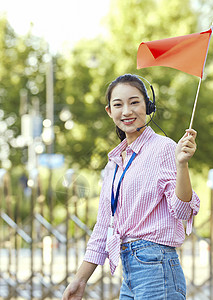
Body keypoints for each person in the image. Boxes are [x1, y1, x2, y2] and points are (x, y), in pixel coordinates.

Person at [62, 74, 200, 300]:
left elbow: (183, 211)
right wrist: (80, 279)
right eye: (118, 105)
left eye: (134, 102)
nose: (126, 111)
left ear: (148, 105)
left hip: (156, 267)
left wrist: (182, 165)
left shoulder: (165, 148)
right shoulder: (114, 162)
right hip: (130, 271)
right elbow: (104, 226)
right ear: (109, 111)